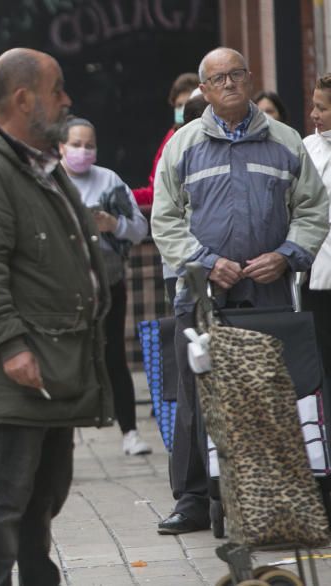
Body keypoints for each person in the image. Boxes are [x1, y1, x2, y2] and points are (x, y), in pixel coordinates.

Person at [0, 48, 113, 585]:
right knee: (7, 495)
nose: (66, 99)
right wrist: (11, 345)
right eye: (56, 88)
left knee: (46, 487)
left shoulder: (33, 159)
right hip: (13, 365)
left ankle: (40, 577)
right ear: (22, 98)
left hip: (51, 358)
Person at [152, 47, 329, 535]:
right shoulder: (182, 144)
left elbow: (314, 210)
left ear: (250, 80)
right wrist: (206, 264)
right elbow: (164, 219)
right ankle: (192, 499)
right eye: (218, 78)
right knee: (196, 399)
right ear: (203, 90)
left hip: (268, 295)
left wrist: (289, 254)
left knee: (269, 396)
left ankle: (272, 500)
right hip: (202, 296)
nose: (229, 83)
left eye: (237, 74)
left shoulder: (285, 141)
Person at [59, 118, 152, 456]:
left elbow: (139, 229)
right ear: (60, 146)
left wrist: (114, 224)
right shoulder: (48, 180)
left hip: (108, 280)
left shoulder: (109, 181)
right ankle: (62, 442)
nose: (82, 151)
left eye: (89, 145)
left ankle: (129, 431)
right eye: (75, 144)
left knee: (113, 355)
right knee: (67, 361)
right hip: (63, 287)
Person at [132, 72, 200, 207]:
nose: (183, 110)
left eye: (187, 104)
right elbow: (155, 191)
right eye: (179, 105)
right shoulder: (172, 135)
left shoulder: (205, 137)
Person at [303, 74, 331, 383]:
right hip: (313, 273)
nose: (313, 115)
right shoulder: (307, 146)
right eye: (313, 106)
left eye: (321, 108)